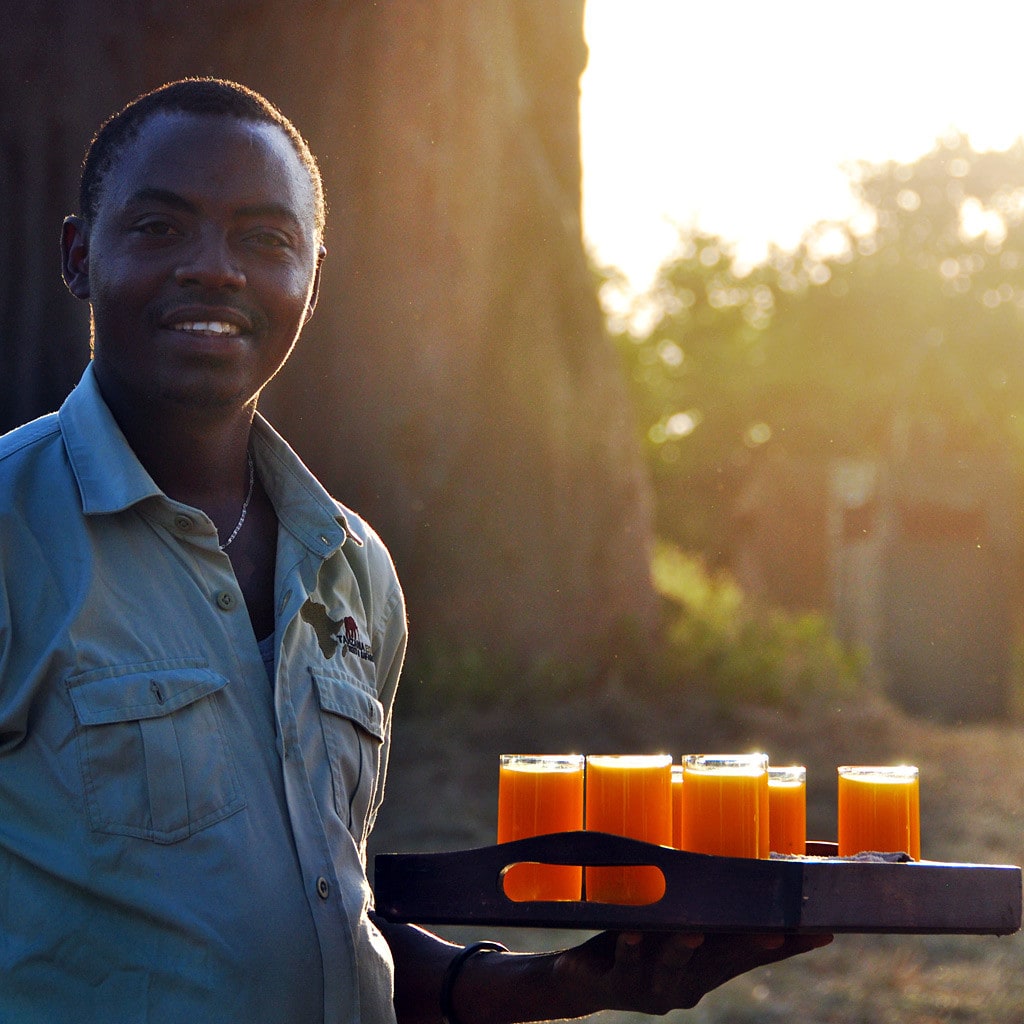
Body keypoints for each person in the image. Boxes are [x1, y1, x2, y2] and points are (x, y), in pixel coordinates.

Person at [0, 78, 830, 1023]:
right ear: (78, 255)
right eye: (160, 227)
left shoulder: (351, 569)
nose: (215, 270)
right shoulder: (13, 532)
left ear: (312, 277)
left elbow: (327, 914)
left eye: (266, 241)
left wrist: (566, 983)